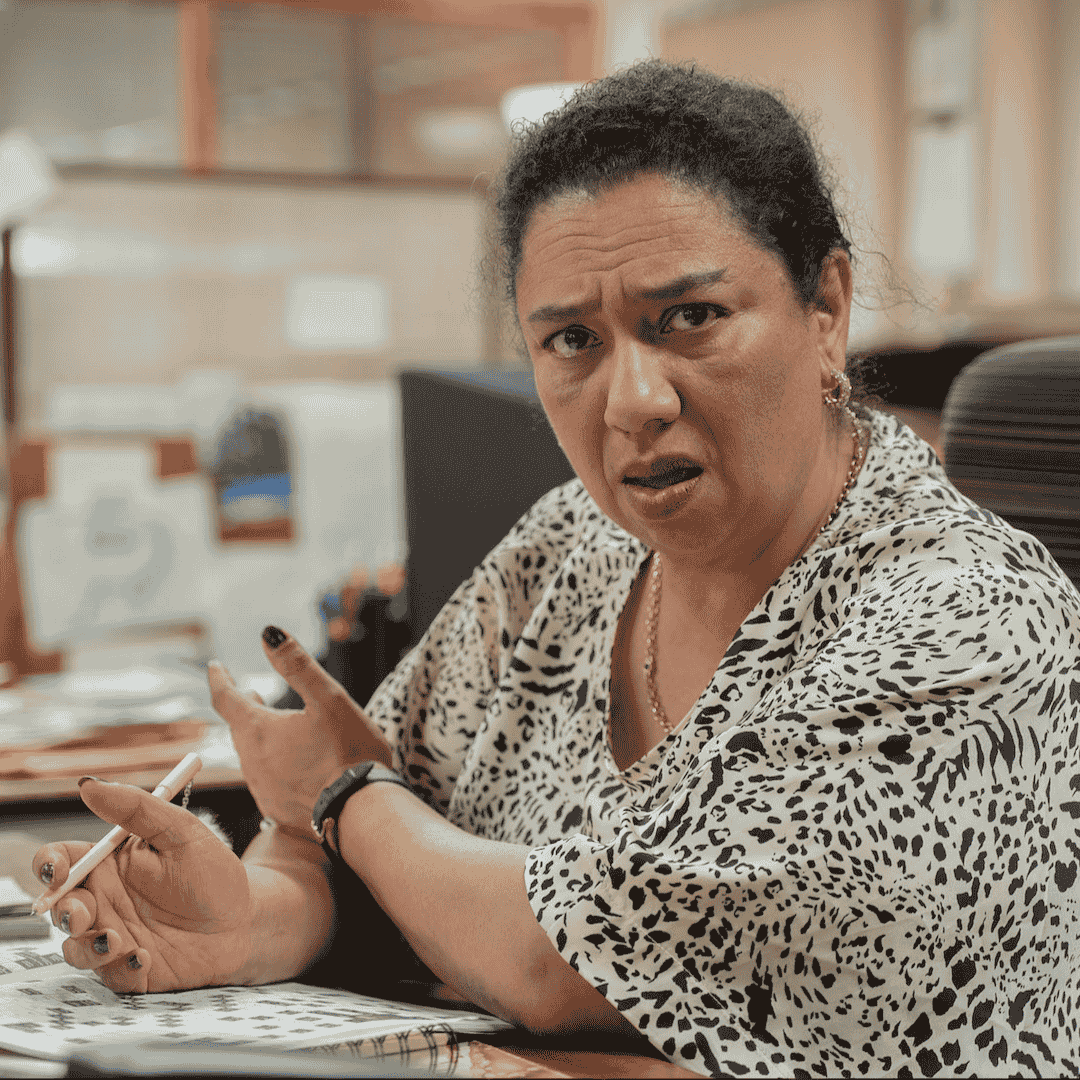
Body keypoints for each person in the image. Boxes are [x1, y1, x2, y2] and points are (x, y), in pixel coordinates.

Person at [32, 61, 1080, 1077]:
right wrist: (248, 920)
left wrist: (350, 799)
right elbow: (343, 842)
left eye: (691, 318)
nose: (633, 399)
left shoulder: (974, 621)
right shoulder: (569, 549)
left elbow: (571, 952)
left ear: (828, 310)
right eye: (573, 339)